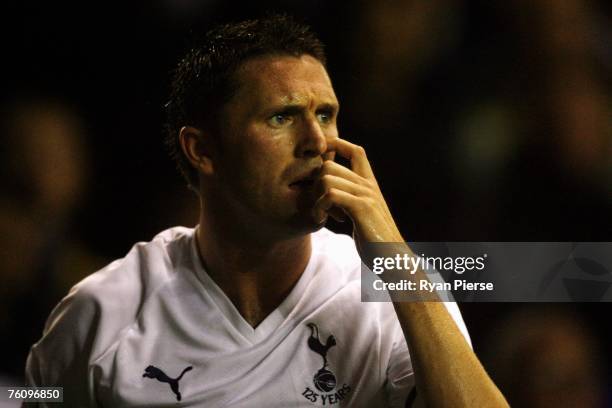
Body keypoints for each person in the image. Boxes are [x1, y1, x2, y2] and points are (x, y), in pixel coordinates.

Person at [26, 15, 507, 407]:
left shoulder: (396, 294)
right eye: (282, 116)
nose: (317, 142)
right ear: (202, 150)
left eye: (325, 115)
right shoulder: (100, 315)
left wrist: (395, 259)